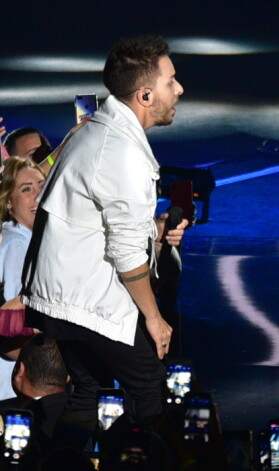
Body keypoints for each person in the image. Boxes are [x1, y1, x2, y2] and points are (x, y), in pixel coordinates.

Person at [21, 35, 187, 449]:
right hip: (87, 301)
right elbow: (125, 253)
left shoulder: (95, 129)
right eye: (171, 81)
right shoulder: (120, 151)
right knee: (149, 385)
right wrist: (153, 317)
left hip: (61, 299)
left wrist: (155, 227)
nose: (179, 89)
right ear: (146, 94)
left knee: (87, 389)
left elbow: (98, 220)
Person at [0, 157, 45, 400]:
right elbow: (15, 330)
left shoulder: (23, 239)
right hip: (11, 392)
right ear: (8, 202)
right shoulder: (17, 244)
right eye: (26, 189)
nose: (38, 195)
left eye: (42, 185)